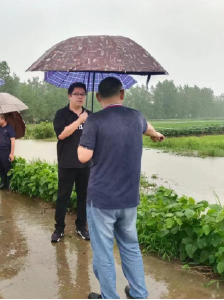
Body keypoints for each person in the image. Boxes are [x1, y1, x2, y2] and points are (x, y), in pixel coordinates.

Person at [78, 77, 165, 300]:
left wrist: (86, 130)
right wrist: (156, 134)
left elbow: (83, 156)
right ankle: (139, 293)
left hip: (102, 201)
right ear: (122, 94)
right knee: (130, 247)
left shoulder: (94, 120)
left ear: (98, 98)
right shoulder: (136, 116)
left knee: (104, 254)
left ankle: (110, 296)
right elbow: (148, 127)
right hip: (129, 198)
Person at [51, 82, 91, 243]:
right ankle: (59, 228)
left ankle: (81, 226)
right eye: (77, 94)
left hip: (86, 163)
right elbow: (61, 134)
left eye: (83, 94)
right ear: (69, 96)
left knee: (84, 197)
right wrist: (80, 120)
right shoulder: (61, 114)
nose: (80, 96)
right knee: (63, 197)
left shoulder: (90, 115)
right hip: (67, 162)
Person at [0, 114, 16, 190]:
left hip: (6, 151)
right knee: (0, 167)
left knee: (7, 168)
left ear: (3, 119)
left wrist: (12, 153)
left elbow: (13, 141)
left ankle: (8, 185)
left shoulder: (10, 129)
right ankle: (3, 183)